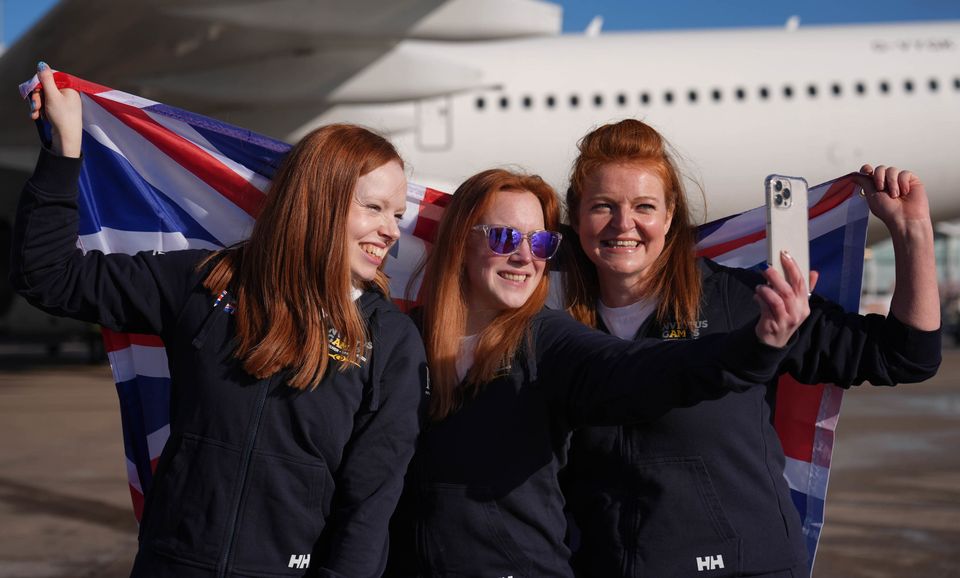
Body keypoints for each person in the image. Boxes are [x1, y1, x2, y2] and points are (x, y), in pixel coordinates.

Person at [12, 63, 427, 577]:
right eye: (374, 208)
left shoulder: (390, 339)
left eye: (396, 215)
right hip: (172, 561)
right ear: (319, 201)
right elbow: (49, 276)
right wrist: (64, 151)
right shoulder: (204, 283)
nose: (391, 231)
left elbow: (370, 503)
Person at [559, 118, 942, 577]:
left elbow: (903, 356)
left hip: (743, 566)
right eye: (603, 206)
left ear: (669, 214)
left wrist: (912, 231)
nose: (625, 224)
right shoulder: (553, 325)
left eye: (644, 206)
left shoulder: (740, 301)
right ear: (576, 216)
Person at [386, 167, 813, 577]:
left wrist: (755, 346)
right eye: (504, 237)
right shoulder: (402, 339)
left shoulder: (546, 341)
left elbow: (639, 369)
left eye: (540, 244)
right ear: (460, 242)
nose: (523, 256)